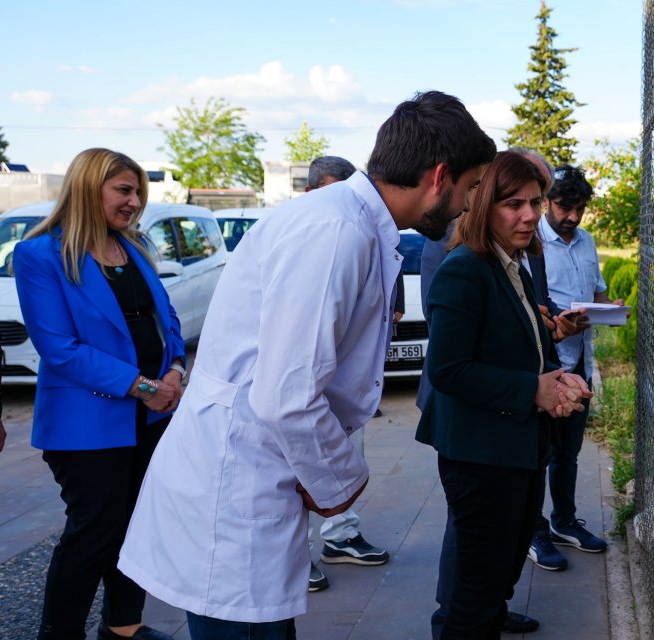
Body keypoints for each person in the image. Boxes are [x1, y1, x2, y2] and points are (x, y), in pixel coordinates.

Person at [117, 91, 496, 639]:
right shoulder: (335, 231)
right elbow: (285, 394)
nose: (468, 204)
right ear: (440, 177)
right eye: (471, 187)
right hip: (238, 484)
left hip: (253, 472)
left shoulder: (352, 224)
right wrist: (341, 479)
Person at [417, 150, 591, 639]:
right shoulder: (465, 268)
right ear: (483, 204)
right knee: (471, 602)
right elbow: (448, 369)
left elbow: (518, 345)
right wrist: (531, 390)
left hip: (516, 450)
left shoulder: (509, 262)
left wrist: (557, 378)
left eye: (535, 202)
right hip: (481, 456)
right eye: (514, 203)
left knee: (495, 588)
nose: (530, 215)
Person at [13, 148, 185, 640]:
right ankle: (59, 633)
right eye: (124, 191)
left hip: (150, 418)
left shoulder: (132, 247)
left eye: (138, 193)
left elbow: (167, 320)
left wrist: (174, 370)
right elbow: (59, 348)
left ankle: (123, 629)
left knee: (137, 529)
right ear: (90, 188)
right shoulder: (40, 253)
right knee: (94, 533)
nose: (135, 203)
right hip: (85, 425)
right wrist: (144, 387)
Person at [301, 156, 392, 593]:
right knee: (298, 468)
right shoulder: (309, 234)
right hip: (303, 390)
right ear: (310, 193)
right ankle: (295, 557)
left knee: (344, 449)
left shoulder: (357, 234)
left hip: (339, 383)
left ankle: (339, 536)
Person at [526, 164, 620, 572]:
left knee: (568, 453)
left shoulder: (586, 241)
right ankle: (533, 533)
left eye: (580, 208)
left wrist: (607, 307)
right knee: (534, 454)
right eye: (565, 206)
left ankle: (564, 521)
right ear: (547, 202)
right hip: (544, 363)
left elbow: (595, 289)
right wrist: (556, 327)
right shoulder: (530, 243)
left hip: (580, 360)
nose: (573, 217)